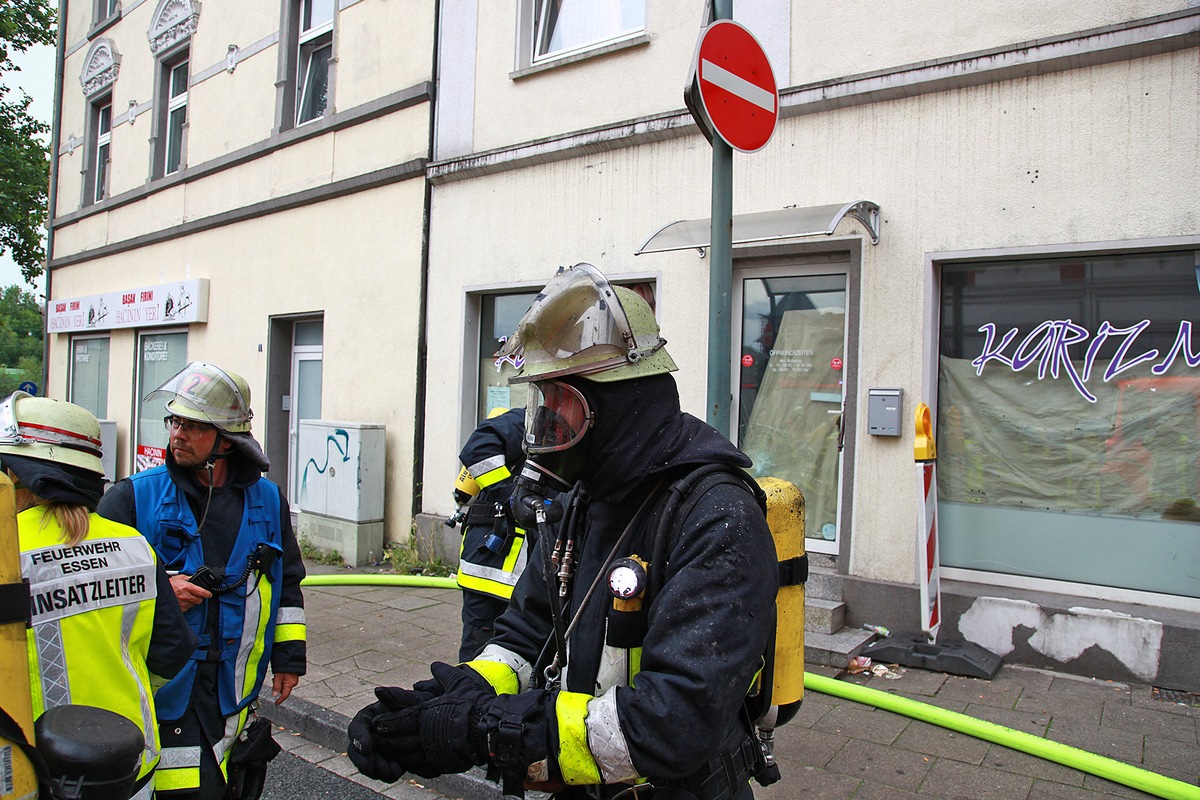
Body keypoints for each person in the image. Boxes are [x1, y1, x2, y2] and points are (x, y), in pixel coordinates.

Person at [348, 263, 779, 800]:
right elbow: (528, 633)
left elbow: (673, 723)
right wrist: (447, 703)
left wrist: (486, 734)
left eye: (562, 402)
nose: (547, 422)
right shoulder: (583, 500)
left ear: (618, 403)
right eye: (541, 401)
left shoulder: (716, 516)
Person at [97, 362, 307, 800]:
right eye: (175, 421)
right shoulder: (132, 498)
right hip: (164, 686)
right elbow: (96, 588)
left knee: (228, 779)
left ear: (227, 439)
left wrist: (289, 657)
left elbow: (286, 583)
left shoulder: (267, 499)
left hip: (233, 689)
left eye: (194, 426)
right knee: (177, 785)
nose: (177, 434)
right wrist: (157, 590)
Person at [2, 391, 195, 800]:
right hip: (129, 762)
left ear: (18, 475)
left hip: (32, 770)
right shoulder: (133, 544)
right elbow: (173, 647)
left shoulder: (7, 550)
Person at [453, 406, 531, 661]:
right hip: (488, 569)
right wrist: (510, 495)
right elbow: (477, 448)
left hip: (519, 579)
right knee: (479, 654)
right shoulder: (527, 420)